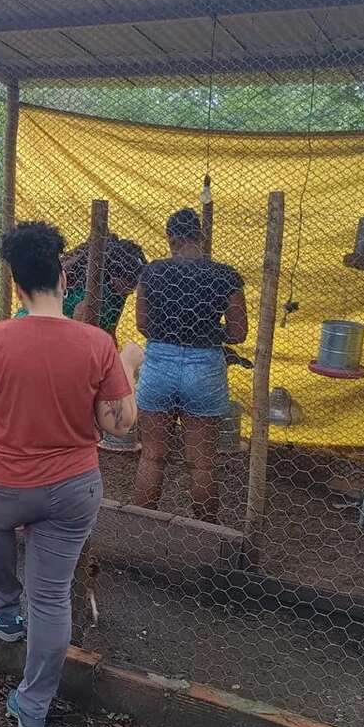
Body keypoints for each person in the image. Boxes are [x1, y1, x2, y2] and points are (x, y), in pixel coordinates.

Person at [0, 221, 143, 727]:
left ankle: (1, 611)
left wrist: (2, 459)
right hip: (71, 491)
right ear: (64, 278)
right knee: (52, 597)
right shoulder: (97, 344)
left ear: (16, 286)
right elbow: (118, 423)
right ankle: (33, 708)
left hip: (0, 485)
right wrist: (128, 362)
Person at [133, 207, 247, 524]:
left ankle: (139, 529)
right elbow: (238, 332)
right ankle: (206, 534)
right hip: (205, 367)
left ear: (171, 239)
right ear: (201, 236)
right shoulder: (226, 275)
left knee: (153, 456)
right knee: (203, 464)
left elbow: (142, 324)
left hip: (159, 365)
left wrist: (171, 332)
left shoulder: (152, 272)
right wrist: (209, 332)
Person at [13, 234, 146, 337]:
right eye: (130, 282)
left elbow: (110, 330)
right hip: (37, 327)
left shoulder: (119, 294)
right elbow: (78, 330)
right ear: (114, 274)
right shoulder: (97, 294)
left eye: (136, 283)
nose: (133, 289)